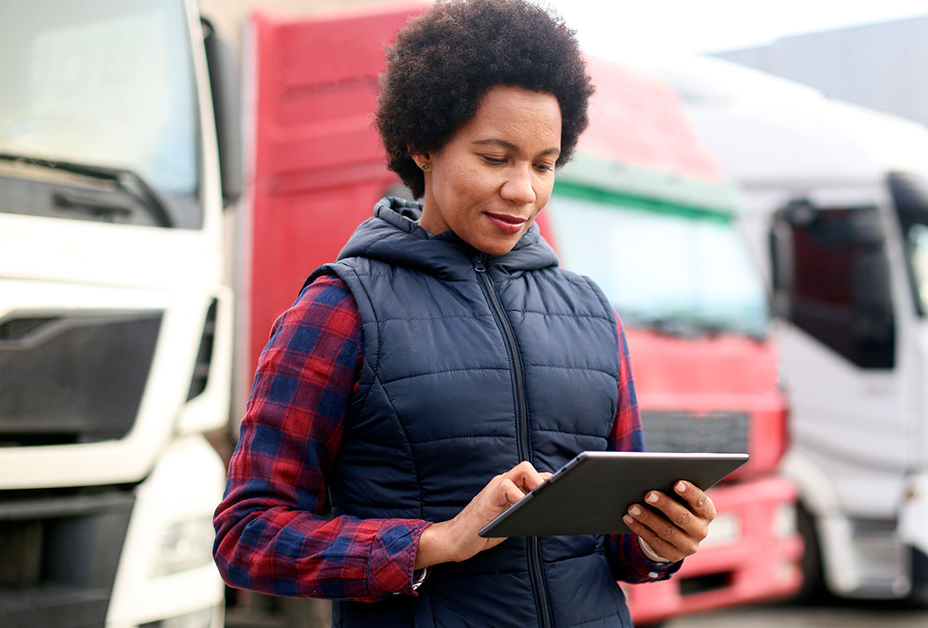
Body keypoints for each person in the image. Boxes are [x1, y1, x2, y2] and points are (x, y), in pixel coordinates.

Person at [213, 1, 716, 626]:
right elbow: (248, 535)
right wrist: (435, 542)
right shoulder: (340, 309)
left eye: (544, 164)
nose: (523, 190)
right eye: (495, 158)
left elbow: (616, 545)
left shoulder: (591, 312)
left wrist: (659, 541)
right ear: (423, 146)